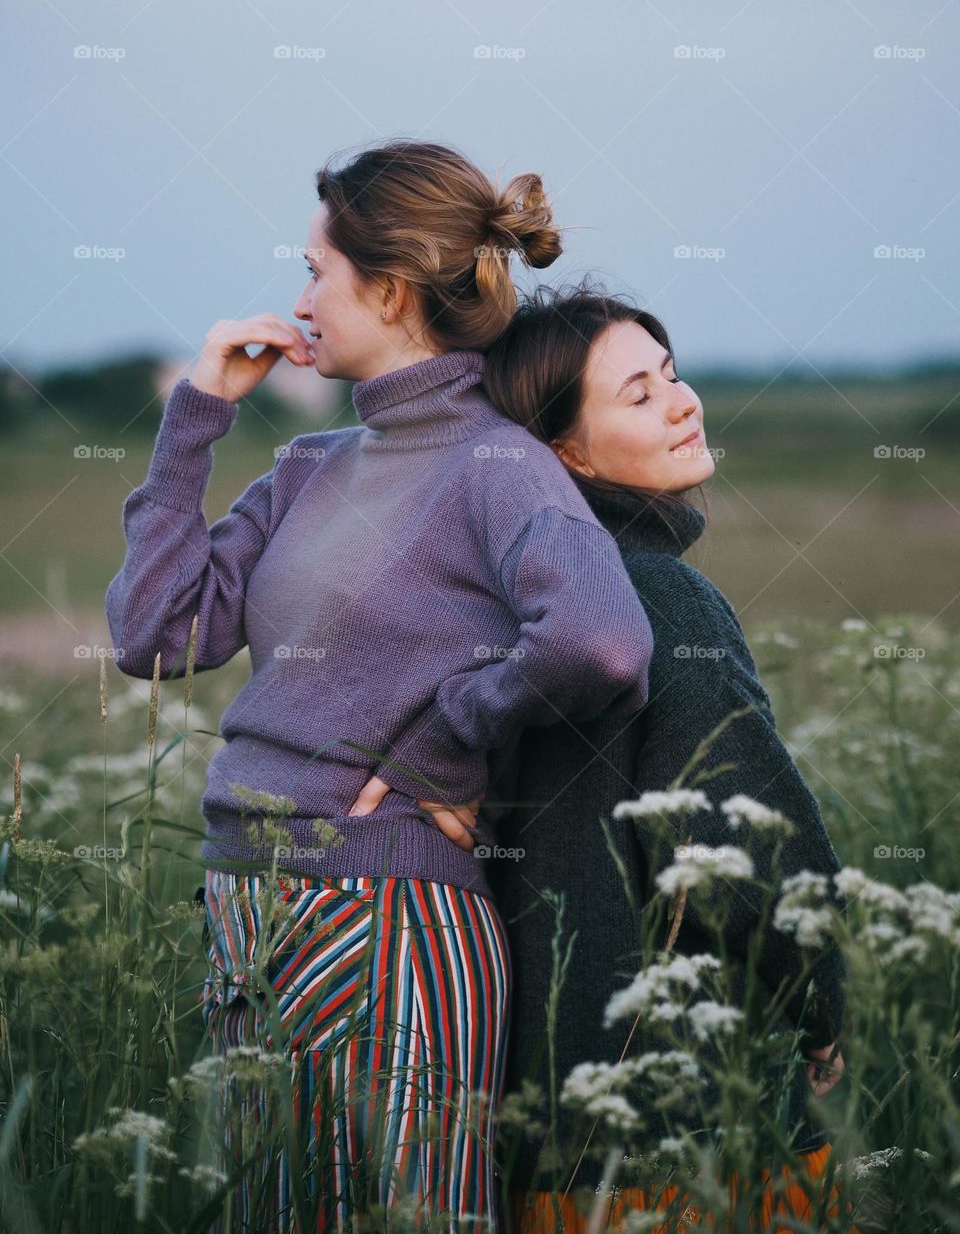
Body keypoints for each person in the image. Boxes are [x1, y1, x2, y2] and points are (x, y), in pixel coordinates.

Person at [104, 145, 657, 1232]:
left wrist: (434, 746)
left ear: (392, 289)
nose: (301, 298)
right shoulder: (313, 462)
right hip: (249, 912)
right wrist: (195, 418)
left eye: (319, 270)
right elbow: (156, 634)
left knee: (404, 1217)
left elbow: (601, 639)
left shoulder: (496, 464)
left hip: (391, 914)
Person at [481, 285, 859, 1233]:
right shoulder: (661, 598)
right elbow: (744, 853)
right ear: (564, 451)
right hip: (682, 1132)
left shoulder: (510, 600)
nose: (685, 402)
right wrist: (825, 1001)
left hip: (531, 1130)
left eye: (674, 375)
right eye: (639, 395)